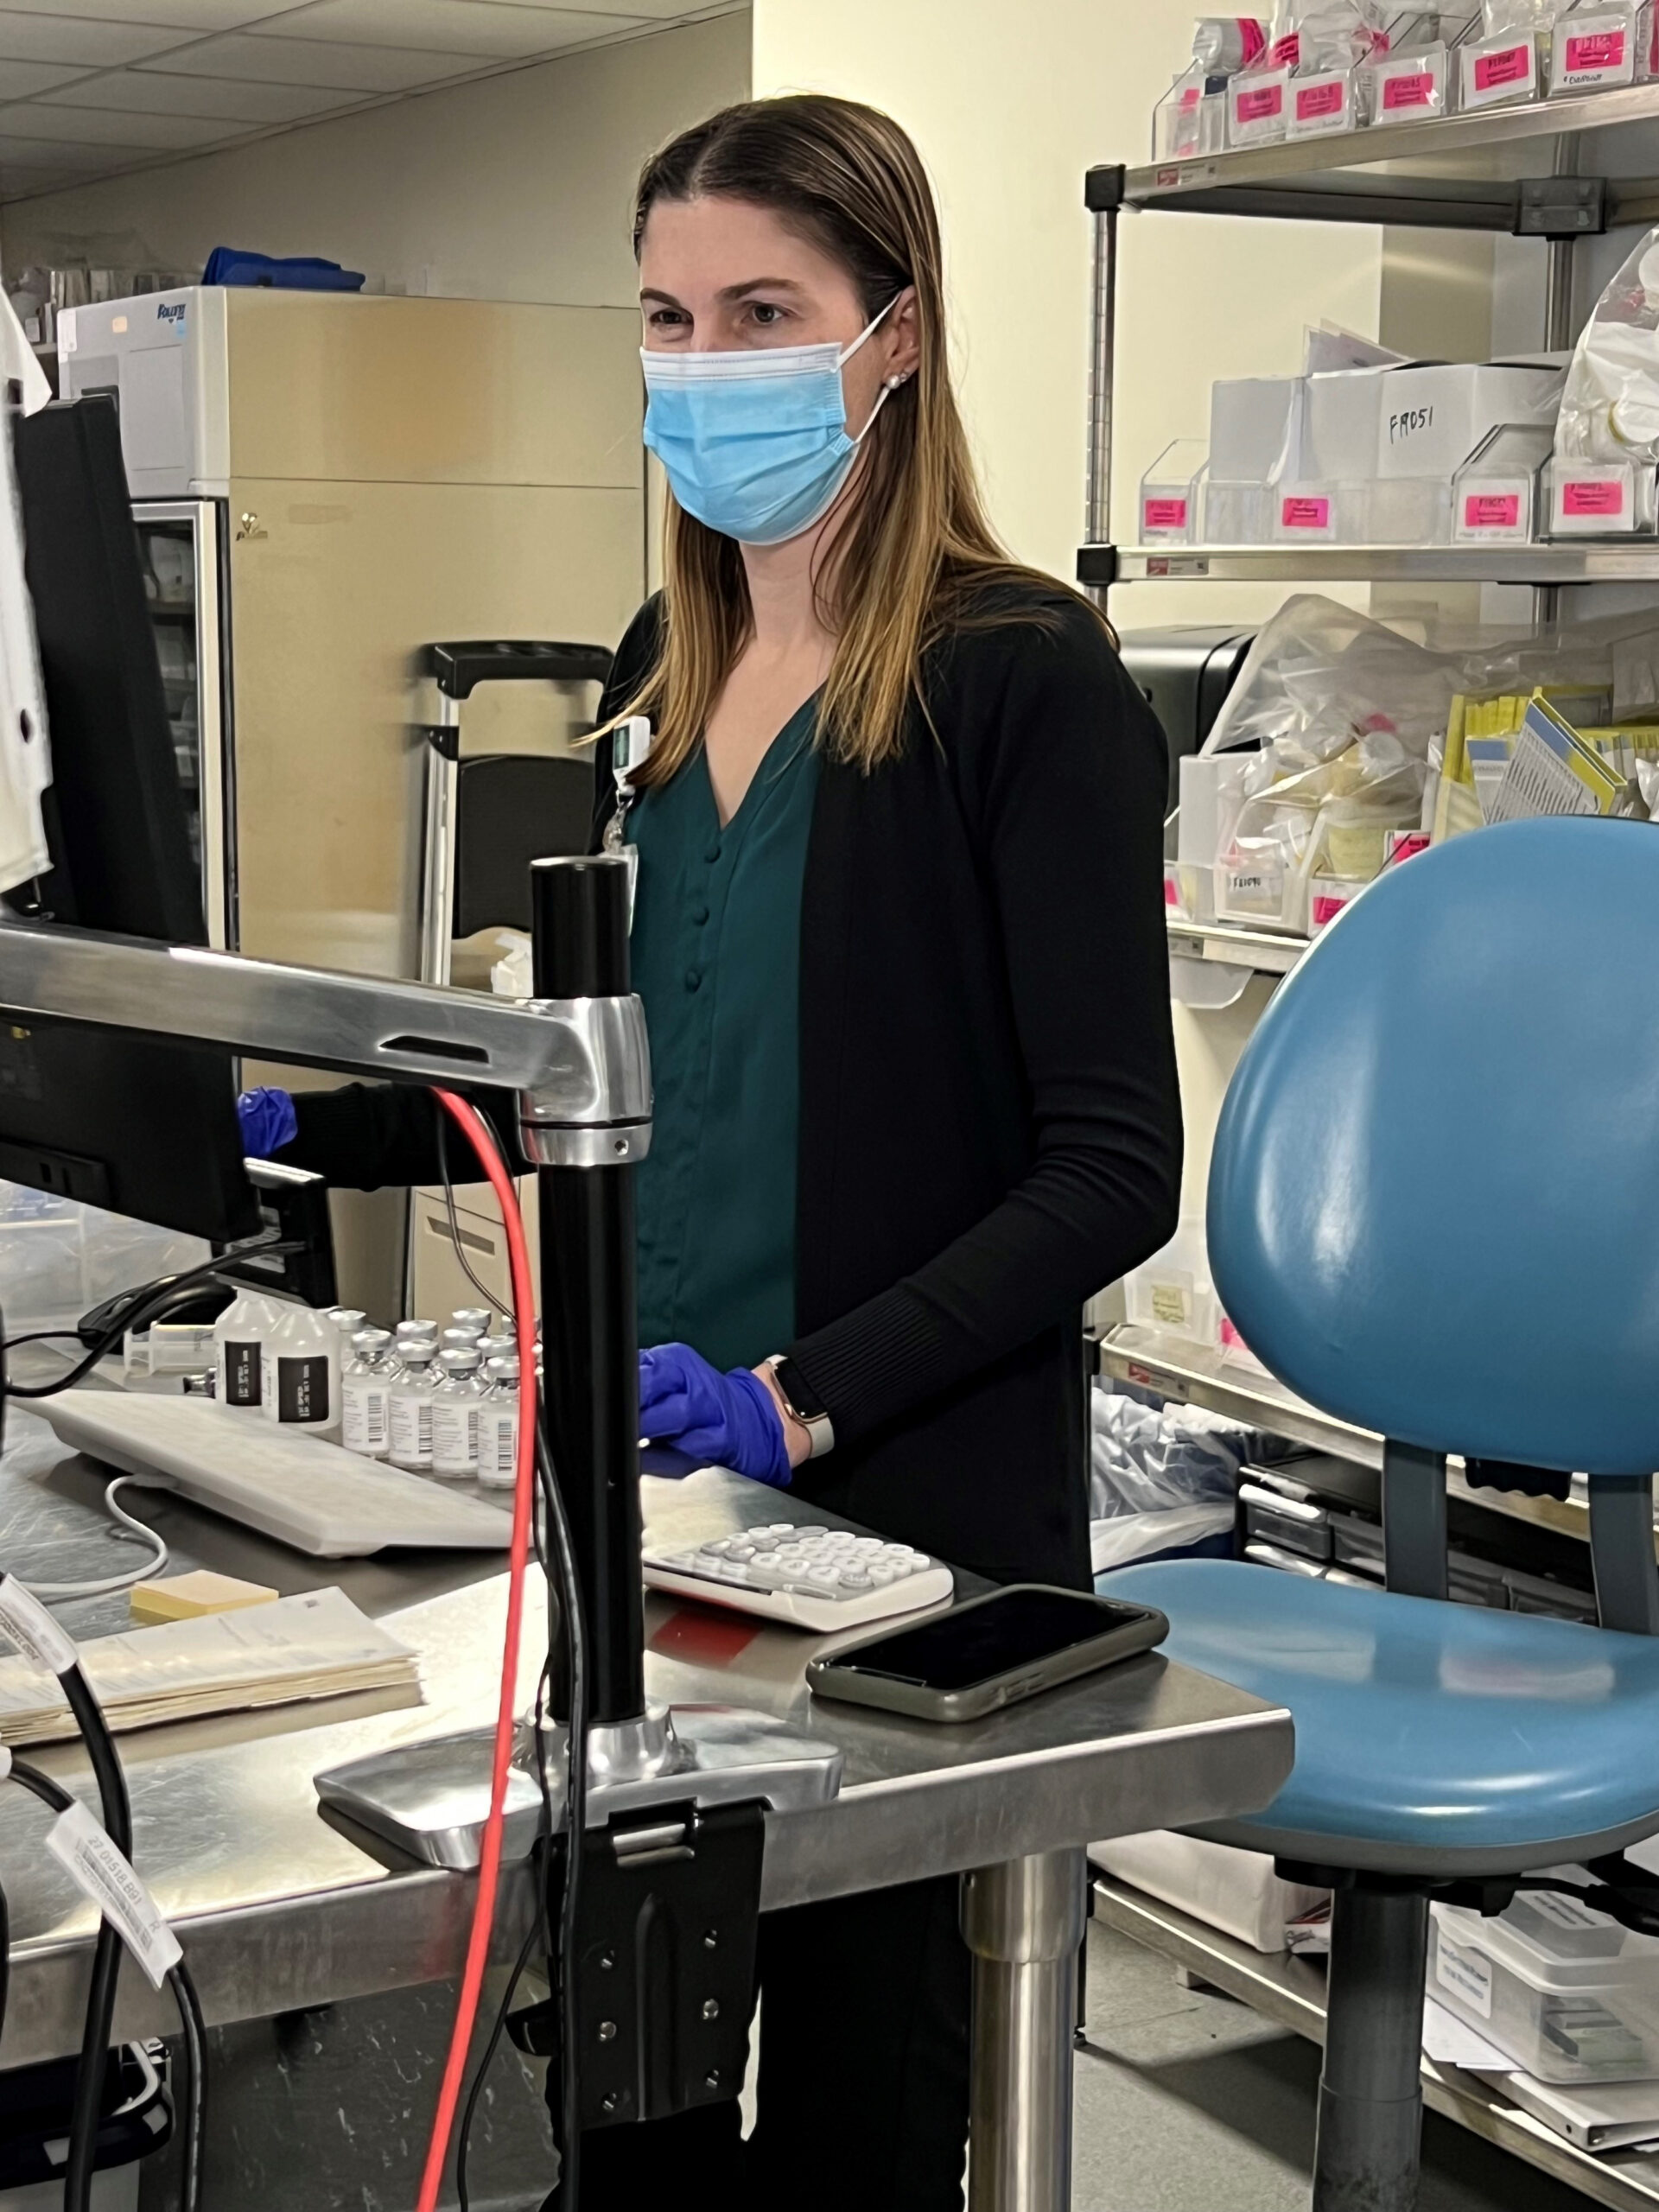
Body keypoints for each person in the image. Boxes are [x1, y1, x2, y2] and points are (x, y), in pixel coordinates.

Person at [245, 92, 1180, 2212]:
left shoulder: (1024, 681)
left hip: (903, 1536)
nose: (708, 362)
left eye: (767, 308)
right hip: (656, 1519)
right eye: (668, 317)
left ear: (896, 337)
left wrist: (798, 1388)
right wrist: (307, 1106)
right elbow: (614, 1062)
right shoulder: (669, 669)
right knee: (634, 2108)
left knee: (857, 2128)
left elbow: (1116, 1167)